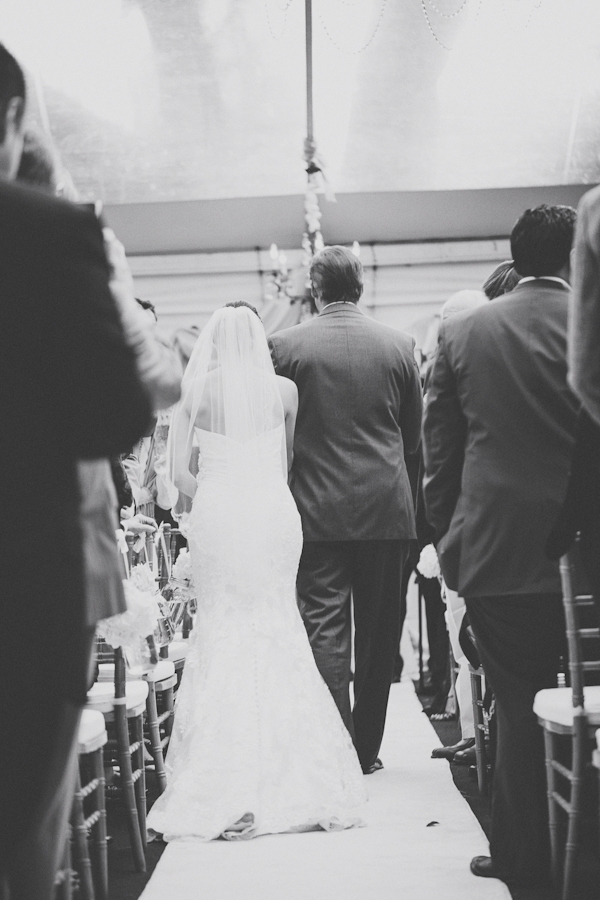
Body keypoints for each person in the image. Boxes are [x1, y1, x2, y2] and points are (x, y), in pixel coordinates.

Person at [0, 43, 153, 900]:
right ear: (13, 121)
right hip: (21, 591)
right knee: (22, 838)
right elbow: (116, 417)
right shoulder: (50, 233)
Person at [146, 303, 367, 841]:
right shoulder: (284, 392)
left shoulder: (194, 393)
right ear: (259, 341)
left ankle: (221, 773)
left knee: (223, 623)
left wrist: (220, 491)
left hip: (221, 516)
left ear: (215, 344)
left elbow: (177, 476)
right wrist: (253, 488)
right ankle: (299, 772)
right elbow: (286, 465)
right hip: (272, 514)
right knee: (277, 621)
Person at [423, 205, 579, 889]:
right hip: (587, 553)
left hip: (499, 552)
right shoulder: (592, 326)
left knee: (517, 708)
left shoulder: (464, 332)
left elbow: (440, 456)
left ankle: (525, 864)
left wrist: (451, 544)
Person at [269, 246, 423, 774]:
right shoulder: (400, 346)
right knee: (380, 632)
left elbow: (275, 437)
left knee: (323, 628)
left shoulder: (285, 346)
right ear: (360, 286)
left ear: (316, 291)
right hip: (386, 509)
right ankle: (366, 752)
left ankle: (333, 745)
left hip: (315, 510)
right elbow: (414, 439)